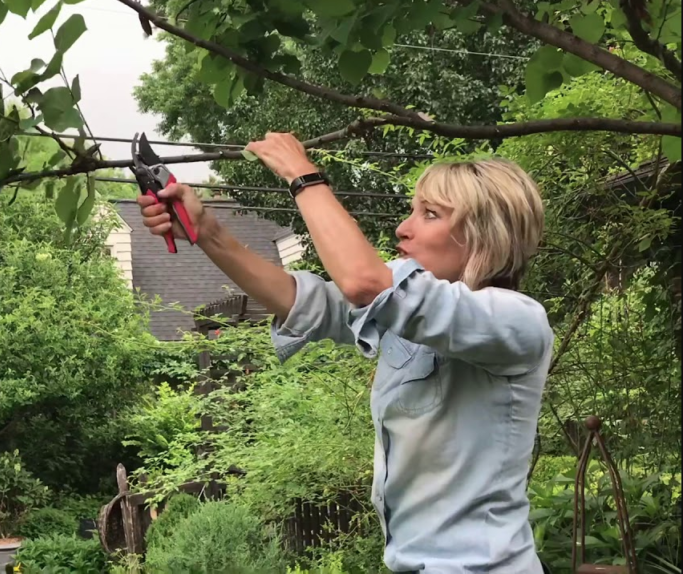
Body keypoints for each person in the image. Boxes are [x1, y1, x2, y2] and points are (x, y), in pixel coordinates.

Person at [136, 132, 553, 573]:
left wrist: (303, 177)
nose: (403, 227)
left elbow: (363, 282)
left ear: (483, 236)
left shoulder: (516, 321)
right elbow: (303, 300)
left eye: (430, 214)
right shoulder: (410, 321)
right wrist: (207, 232)